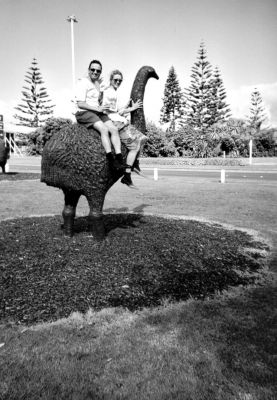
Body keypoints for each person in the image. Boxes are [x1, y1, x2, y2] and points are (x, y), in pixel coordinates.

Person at [74, 60, 125, 171]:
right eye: (93, 69)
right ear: (88, 70)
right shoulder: (82, 82)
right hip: (84, 112)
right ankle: (110, 160)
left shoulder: (97, 84)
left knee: (114, 130)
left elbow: (99, 100)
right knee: (104, 129)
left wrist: (103, 106)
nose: (95, 72)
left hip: (97, 111)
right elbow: (80, 103)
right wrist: (97, 108)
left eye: (98, 70)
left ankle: (119, 158)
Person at [102, 69, 147, 188]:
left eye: (120, 80)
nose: (118, 82)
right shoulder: (109, 92)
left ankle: (134, 164)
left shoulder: (113, 92)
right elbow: (110, 111)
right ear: (111, 80)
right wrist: (133, 108)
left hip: (120, 120)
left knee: (142, 138)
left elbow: (117, 110)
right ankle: (127, 176)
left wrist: (125, 107)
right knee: (134, 146)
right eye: (115, 80)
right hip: (117, 123)